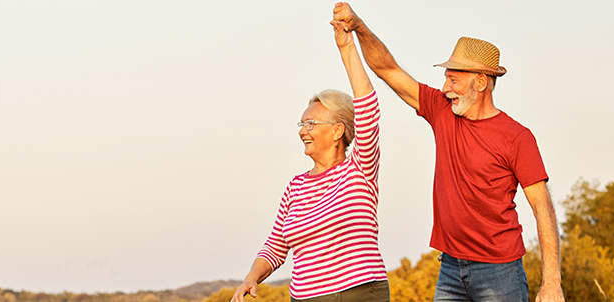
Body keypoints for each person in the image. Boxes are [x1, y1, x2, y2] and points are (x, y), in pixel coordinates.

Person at [332, 3, 565, 302]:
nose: (445, 87)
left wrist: (552, 282)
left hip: (499, 271)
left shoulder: (517, 138)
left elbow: (542, 208)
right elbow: (387, 69)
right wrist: (360, 27)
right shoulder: (442, 110)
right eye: (446, 78)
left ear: (480, 82)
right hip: (450, 268)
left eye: (453, 79)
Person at [230, 14, 390, 302]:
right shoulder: (295, 186)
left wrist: (346, 48)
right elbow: (276, 245)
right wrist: (251, 278)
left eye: (311, 124)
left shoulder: (359, 170)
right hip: (305, 297)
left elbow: (368, 107)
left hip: (357, 293)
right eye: (302, 124)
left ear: (338, 130)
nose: (303, 131)